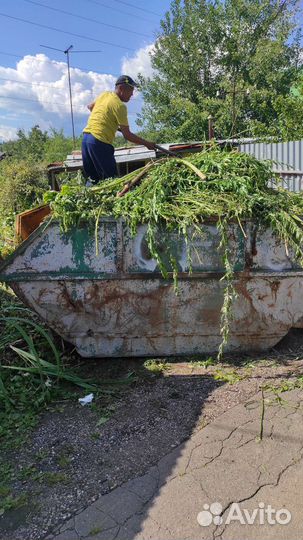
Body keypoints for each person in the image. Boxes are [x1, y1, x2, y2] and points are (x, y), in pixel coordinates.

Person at [82, 75, 156, 184]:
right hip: (99, 142)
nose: (132, 94)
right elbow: (127, 135)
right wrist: (146, 143)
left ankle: (88, 200)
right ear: (121, 88)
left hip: (86, 139)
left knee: (92, 179)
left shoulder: (105, 95)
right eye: (130, 90)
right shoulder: (120, 106)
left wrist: (107, 120)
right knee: (111, 182)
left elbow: (90, 107)